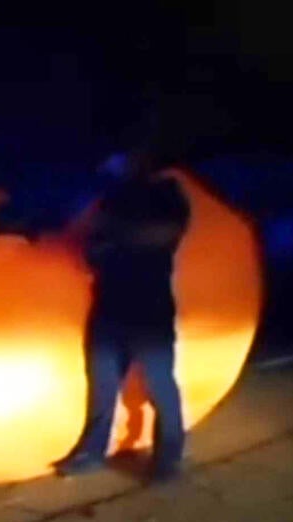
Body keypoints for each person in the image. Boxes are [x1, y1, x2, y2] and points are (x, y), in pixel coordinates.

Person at [55, 152, 191, 482]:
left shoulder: (167, 193)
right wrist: (108, 241)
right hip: (110, 306)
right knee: (102, 386)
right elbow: (91, 245)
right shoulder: (112, 198)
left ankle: (168, 459)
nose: (115, 166)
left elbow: (161, 235)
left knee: (160, 386)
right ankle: (92, 452)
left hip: (150, 313)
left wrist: (116, 236)